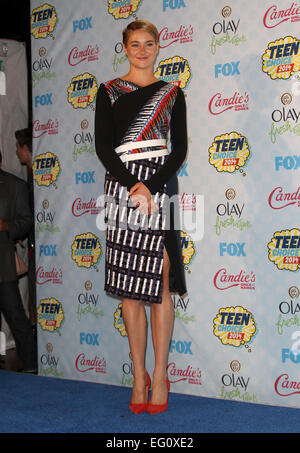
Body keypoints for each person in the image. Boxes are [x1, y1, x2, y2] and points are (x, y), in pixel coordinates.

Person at [95, 20, 187, 414]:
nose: (143, 50)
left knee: (161, 278)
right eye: (135, 44)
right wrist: (134, 184)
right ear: (125, 47)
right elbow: (103, 147)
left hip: (160, 188)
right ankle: (138, 375)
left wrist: (151, 186)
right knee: (130, 287)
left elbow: (179, 149)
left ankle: (162, 374)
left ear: (159, 46)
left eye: (150, 43)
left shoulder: (172, 92)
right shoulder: (109, 91)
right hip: (121, 190)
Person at [0, 150, 37, 373]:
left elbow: (25, 221)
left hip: (2, 265)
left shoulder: (14, 185)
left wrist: (6, 227)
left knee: (15, 315)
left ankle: (32, 364)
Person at [15, 127, 36, 338]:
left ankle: (36, 333)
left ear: (24, 147)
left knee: (37, 290)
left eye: (17, 148)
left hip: (41, 243)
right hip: (33, 241)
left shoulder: (41, 174)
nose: (16, 153)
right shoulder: (30, 174)